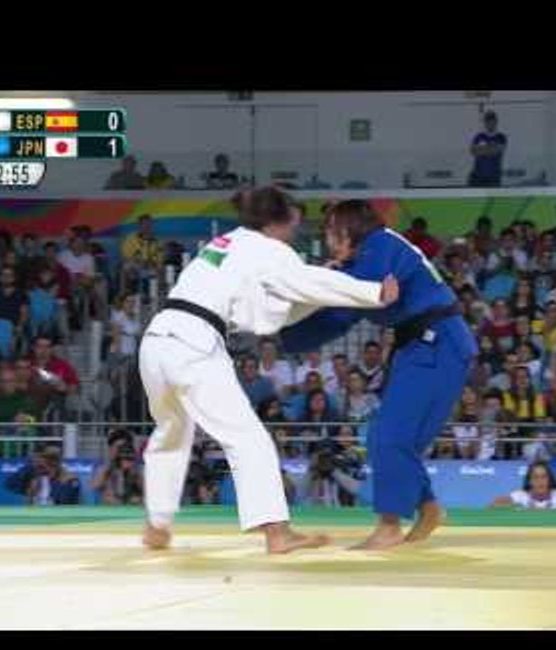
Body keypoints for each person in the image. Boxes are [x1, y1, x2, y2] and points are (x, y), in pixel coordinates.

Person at [139, 187, 398, 554]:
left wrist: (315, 282)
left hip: (157, 339)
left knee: (171, 431)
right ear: (278, 220)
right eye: (295, 221)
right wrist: (373, 292)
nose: (298, 229)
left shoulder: (226, 243)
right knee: (248, 438)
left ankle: (157, 526)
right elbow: (306, 285)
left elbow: (268, 311)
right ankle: (277, 533)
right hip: (194, 343)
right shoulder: (270, 250)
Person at [281, 199, 478, 549]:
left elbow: (366, 291)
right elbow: (339, 317)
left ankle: (389, 525)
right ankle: (428, 506)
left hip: (438, 343)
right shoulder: (364, 262)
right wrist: (285, 333)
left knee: (390, 435)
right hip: (417, 347)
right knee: (384, 438)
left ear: (348, 229)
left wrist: (326, 281)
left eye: (331, 232)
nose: (328, 241)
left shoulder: (383, 244)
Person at [491, 461, 556, 510]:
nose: (540, 481)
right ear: (529, 481)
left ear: (550, 480)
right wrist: (516, 509)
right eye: (535, 477)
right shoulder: (521, 495)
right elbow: (495, 504)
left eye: (544, 477)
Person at [468, 111, 507, 188]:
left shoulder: (501, 137)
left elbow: (496, 151)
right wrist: (490, 148)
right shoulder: (479, 136)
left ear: (496, 122)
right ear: (485, 123)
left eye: (492, 121)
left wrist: (482, 150)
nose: (490, 124)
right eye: (488, 121)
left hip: (493, 177)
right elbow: (473, 151)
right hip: (478, 176)